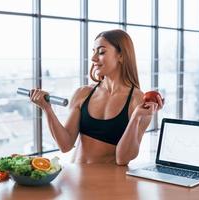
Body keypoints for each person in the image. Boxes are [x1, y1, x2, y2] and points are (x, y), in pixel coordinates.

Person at [30, 29, 163, 165]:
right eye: (93, 52)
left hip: (111, 184)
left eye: (101, 52)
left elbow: (122, 159)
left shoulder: (138, 101)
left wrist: (136, 117)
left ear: (121, 56)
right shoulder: (83, 93)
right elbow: (65, 145)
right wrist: (47, 108)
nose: (93, 59)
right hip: (77, 179)